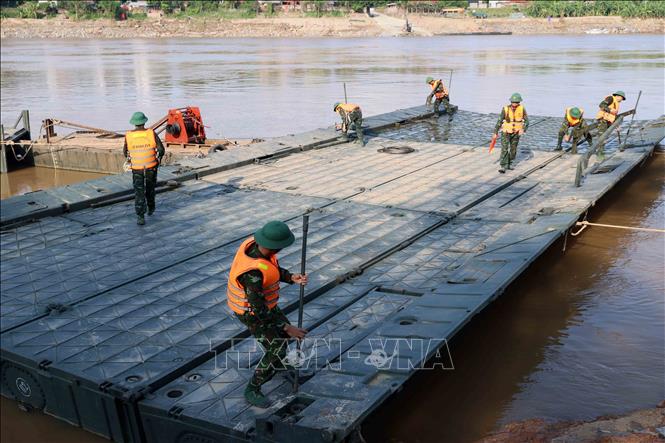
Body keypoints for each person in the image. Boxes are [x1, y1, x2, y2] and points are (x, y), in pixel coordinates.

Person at [227, 221, 308, 408]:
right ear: (276, 247)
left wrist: (290, 277)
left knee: (283, 338)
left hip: (265, 308)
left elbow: (270, 270)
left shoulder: (258, 249)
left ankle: (279, 364)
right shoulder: (252, 274)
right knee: (277, 346)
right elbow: (259, 310)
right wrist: (286, 327)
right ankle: (253, 388)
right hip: (252, 313)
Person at [123, 112, 164, 225]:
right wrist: (158, 158)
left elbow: (125, 152)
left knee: (139, 191)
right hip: (151, 167)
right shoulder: (151, 133)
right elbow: (161, 150)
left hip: (137, 168)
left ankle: (140, 216)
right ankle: (151, 208)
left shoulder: (128, 136)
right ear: (144, 122)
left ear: (134, 124)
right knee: (150, 188)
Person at [494, 93, 529, 173]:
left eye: (516, 102)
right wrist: (495, 132)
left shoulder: (522, 109)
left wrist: (523, 129)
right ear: (511, 101)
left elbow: (527, 121)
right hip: (506, 131)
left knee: (513, 149)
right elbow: (499, 121)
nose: (514, 104)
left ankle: (509, 163)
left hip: (516, 132)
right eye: (513, 102)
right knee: (504, 148)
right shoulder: (505, 109)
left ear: (519, 102)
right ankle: (503, 165)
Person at [595, 91, 626, 157]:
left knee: (605, 138)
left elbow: (613, 117)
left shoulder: (616, 103)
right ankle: (599, 154)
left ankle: (601, 152)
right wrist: (610, 110)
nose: (622, 100)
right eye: (622, 98)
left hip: (608, 121)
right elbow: (601, 105)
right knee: (602, 137)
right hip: (602, 120)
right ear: (618, 96)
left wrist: (616, 126)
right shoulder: (610, 98)